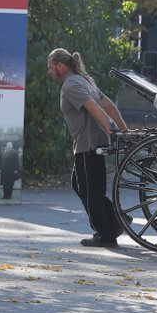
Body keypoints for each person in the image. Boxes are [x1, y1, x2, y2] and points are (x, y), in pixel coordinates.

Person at [48, 48, 127, 248]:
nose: (49, 72)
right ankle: (115, 220)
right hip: (93, 143)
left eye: (50, 67)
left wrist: (110, 128)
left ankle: (105, 233)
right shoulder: (83, 80)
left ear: (60, 66)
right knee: (82, 185)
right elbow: (106, 103)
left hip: (87, 144)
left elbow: (94, 107)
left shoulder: (70, 85)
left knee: (89, 190)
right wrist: (122, 127)